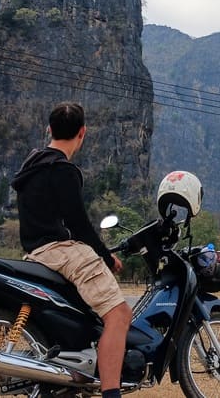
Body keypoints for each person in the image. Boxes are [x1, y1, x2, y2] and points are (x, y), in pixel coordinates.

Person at [12, 102, 132, 398]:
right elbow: (79, 225)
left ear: (49, 130)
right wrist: (107, 257)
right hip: (60, 251)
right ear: (83, 133)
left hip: (34, 252)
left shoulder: (31, 164)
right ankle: (111, 392)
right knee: (119, 314)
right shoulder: (63, 170)